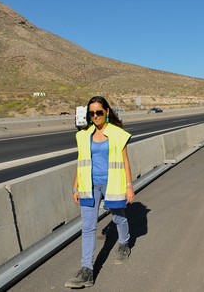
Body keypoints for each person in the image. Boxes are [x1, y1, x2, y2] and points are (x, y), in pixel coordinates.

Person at [65, 96, 135, 288]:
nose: (95, 116)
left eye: (98, 112)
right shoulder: (84, 135)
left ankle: (124, 244)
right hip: (89, 186)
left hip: (113, 184)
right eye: (92, 113)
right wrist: (75, 186)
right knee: (88, 227)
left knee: (118, 217)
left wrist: (129, 186)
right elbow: (81, 162)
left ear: (106, 112)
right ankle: (86, 270)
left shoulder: (117, 133)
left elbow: (125, 161)